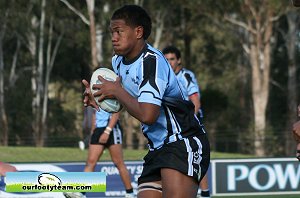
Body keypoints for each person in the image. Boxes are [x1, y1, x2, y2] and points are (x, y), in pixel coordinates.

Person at [82, 5, 210, 198]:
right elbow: (128, 101)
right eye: (111, 32)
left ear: (138, 32)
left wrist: (116, 90)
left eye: (119, 31)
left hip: (182, 141)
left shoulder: (152, 62)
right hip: (157, 148)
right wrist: (100, 97)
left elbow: (148, 115)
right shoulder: (118, 61)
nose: (113, 37)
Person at [162, 46, 210, 198]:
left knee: (194, 161)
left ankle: (205, 193)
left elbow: (195, 101)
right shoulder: (162, 77)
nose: (169, 62)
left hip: (188, 125)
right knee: (91, 161)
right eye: (166, 59)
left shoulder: (186, 76)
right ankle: (86, 189)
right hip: (174, 127)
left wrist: (108, 129)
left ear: (179, 60)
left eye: (172, 59)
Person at [64, 110, 134, 198]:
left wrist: (107, 131)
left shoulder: (113, 96)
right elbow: (94, 113)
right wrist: (93, 132)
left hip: (112, 129)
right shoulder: (92, 96)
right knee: (90, 162)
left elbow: (116, 113)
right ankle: (81, 193)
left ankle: (130, 193)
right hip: (98, 130)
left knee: (118, 162)